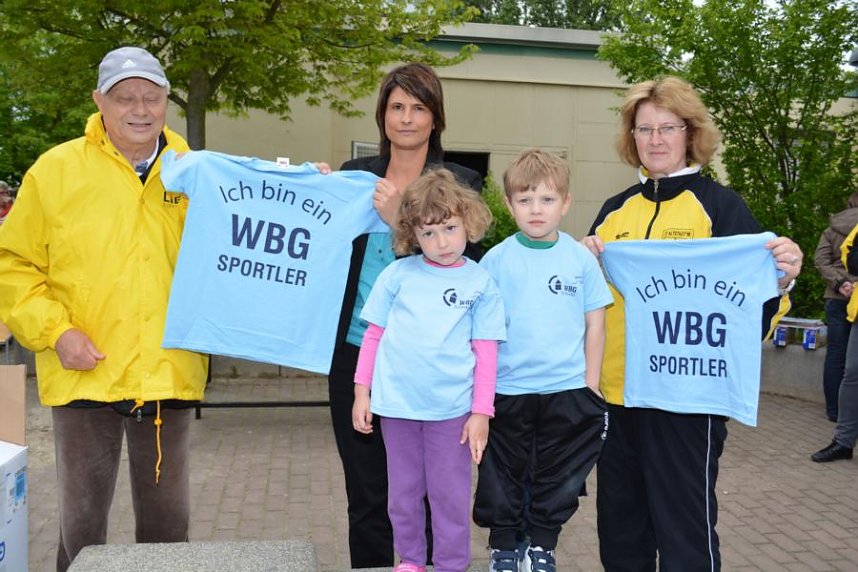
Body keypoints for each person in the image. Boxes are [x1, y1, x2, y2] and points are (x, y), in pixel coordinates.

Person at [581, 76, 802, 571]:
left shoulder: (722, 209)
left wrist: (782, 282)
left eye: (667, 128)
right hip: (615, 400)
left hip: (688, 403)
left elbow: (751, 311)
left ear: (690, 133)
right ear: (630, 136)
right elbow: (581, 306)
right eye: (644, 129)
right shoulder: (614, 212)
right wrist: (577, 264)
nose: (655, 140)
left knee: (686, 537)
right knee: (620, 536)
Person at [0, 47, 208, 571]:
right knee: (83, 530)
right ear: (99, 102)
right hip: (83, 374)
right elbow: (13, 263)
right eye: (124, 98)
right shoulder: (55, 171)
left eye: (151, 97)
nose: (139, 108)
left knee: (167, 533)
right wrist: (56, 332)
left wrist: (298, 184)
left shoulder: (198, 175)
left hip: (167, 373)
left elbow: (247, 241)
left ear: (167, 102)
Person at [329, 62, 483, 568]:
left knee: (434, 496)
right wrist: (317, 192)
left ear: (436, 118)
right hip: (359, 354)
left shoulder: (460, 181)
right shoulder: (354, 178)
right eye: (397, 107)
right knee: (368, 492)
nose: (407, 118)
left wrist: (400, 217)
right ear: (383, 115)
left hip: (432, 367)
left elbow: (468, 268)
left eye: (419, 108)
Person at [351, 169, 505, 572]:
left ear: (468, 223)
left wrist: (481, 413)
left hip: (450, 413)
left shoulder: (481, 282)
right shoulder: (396, 276)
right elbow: (373, 338)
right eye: (429, 233)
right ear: (411, 233)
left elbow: (486, 352)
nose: (441, 242)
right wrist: (361, 392)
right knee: (402, 495)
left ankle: (452, 563)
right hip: (397, 408)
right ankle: (412, 560)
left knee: (448, 496)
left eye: (450, 229)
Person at [473, 149, 612, 572]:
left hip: (566, 391)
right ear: (510, 204)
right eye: (525, 199)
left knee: (558, 477)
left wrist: (589, 386)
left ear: (566, 203)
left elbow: (596, 325)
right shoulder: (495, 261)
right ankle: (505, 548)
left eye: (547, 200)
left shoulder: (580, 260)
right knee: (503, 475)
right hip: (508, 390)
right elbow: (481, 332)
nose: (536, 210)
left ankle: (541, 546)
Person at [812, 221, 858, 462]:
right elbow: (851, 259)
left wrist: (840, 283)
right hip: (854, 307)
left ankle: (840, 429)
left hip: (840, 297)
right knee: (851, 374)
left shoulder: (831, 227)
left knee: (839, 360)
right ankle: (843, 441)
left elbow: (822, 260)